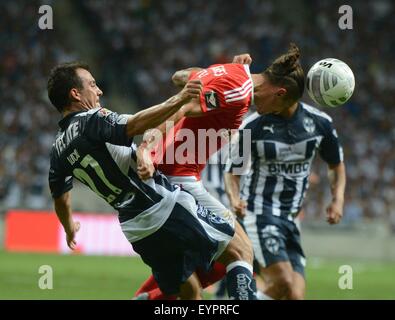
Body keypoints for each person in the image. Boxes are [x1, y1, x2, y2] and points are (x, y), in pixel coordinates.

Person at [46, 61, 256, 299]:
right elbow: (136, 123)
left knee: (190, 291)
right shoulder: (91, 120)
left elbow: (61, 199)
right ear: (75, 93)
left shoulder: (57, 151)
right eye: (92, 85)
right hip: (163, 206)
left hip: (136, 229)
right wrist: (178, 99)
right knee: (241, 251)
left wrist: (70, 228)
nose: (99, 91)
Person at [224, 44, 346, 300]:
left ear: (280, 94)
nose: (255, 98)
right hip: (260, 214)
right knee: (284, 284)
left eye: (260, 93)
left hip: (290, 220)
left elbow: (336, 164)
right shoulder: (251, 126)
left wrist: (337, 200)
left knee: (294, 296)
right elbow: (232, 172)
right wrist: (234, 199)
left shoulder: (320, 124)